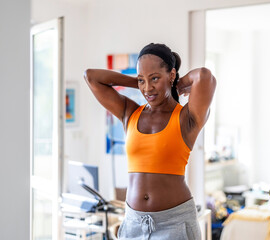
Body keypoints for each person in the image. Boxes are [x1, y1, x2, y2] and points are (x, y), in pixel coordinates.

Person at [84, 43, 216, 240]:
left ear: (171, 75)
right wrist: (139, 81)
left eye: (154, 78)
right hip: (133, 223)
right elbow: (91, 76)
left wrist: (178, 84)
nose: (147, 88)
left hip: (175, 223)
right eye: (142, 81)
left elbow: (204, 76)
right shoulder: (130, 113)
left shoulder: (186, 118)